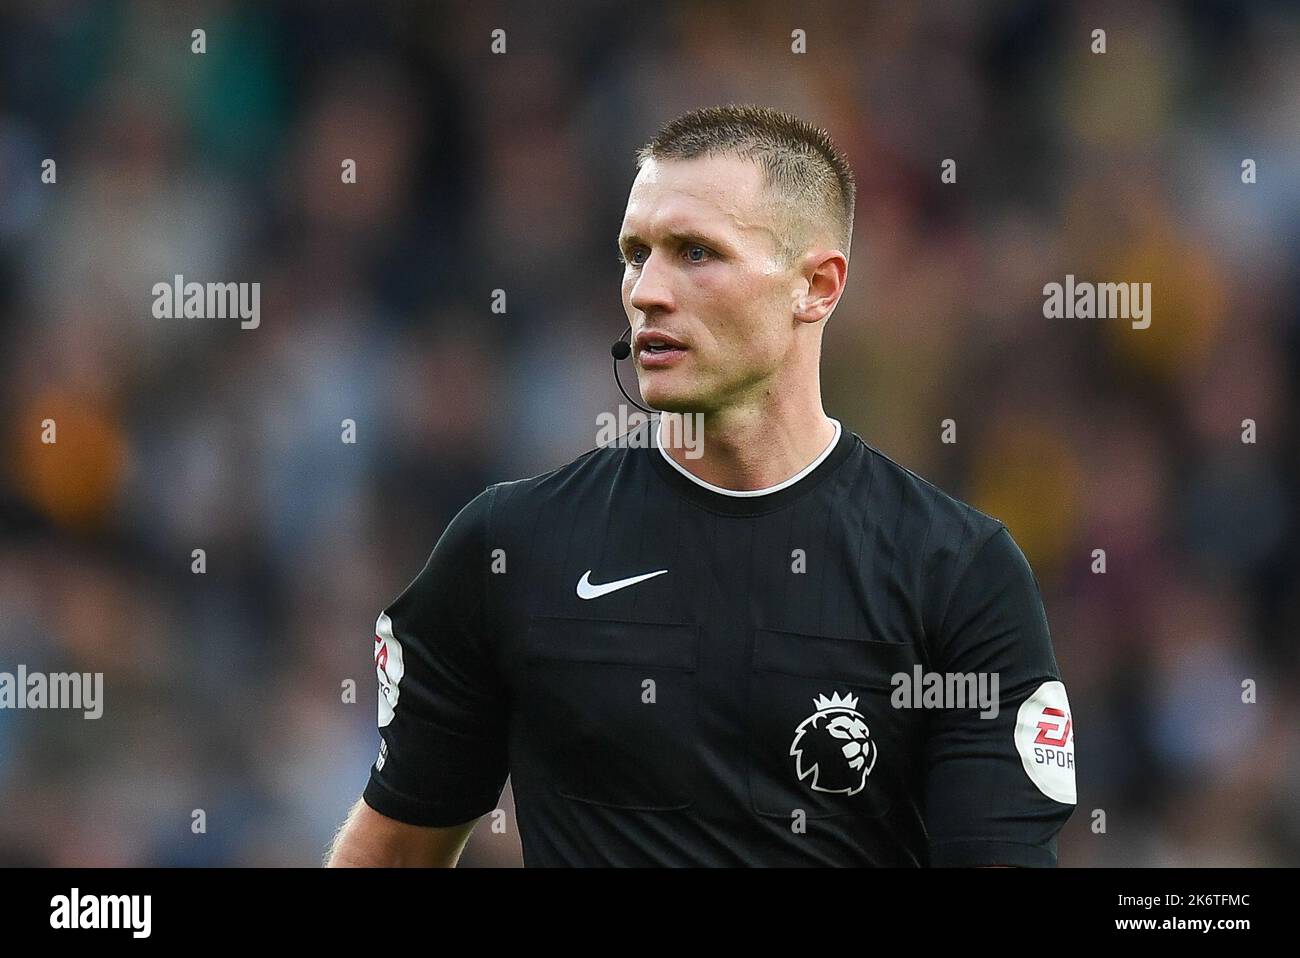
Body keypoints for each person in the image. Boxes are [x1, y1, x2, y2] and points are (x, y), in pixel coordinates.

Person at [327, 104, 1076, 867]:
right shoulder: (509, 549)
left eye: (694, 253)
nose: (647, 291)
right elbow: (392, 852)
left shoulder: (955, 573)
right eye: (634, 253)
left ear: (816, 286)